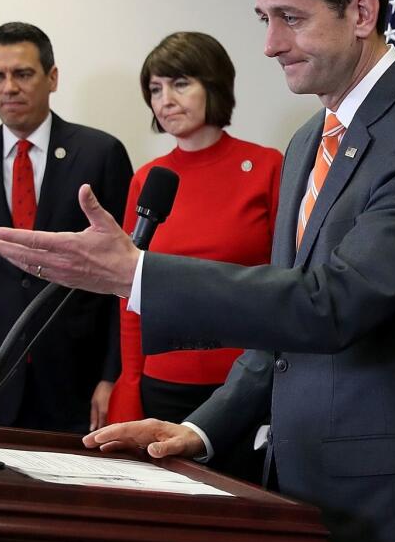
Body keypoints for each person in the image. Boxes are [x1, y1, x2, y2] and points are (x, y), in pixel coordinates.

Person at [0, 0, 395, 542]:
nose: (272, 44)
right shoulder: (313, 138)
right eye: (263, 18)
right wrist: (199, 430)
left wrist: (139, 273)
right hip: (298, 508)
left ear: (361, 12)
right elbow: (276, 333)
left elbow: (328, 306)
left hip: (391, 521)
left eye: (289, 18)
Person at [0, 21, 132, 434]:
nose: (9, 87)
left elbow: (125, 280)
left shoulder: (101, 153)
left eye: (22, 74)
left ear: (52, 77)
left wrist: (113, 375)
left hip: (79, 382)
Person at [106, 32, 282, 479]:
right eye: (155, 89)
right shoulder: (148, 180)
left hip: (245, 388)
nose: (166, 100)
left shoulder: (267, 168)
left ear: (214, 85)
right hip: (163, 385)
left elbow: (289, 287)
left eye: (180, 83)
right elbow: (130, 294)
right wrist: (129, 385)